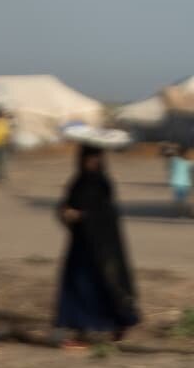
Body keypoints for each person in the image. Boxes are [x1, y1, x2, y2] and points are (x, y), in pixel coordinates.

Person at [54, 145, 139, 348]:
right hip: (81, 247)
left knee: (107, 284)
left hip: (103, 247)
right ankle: (81, 332)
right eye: (88, 158)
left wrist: (83, 216)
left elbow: (105, 214)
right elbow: (66, 205)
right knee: (78, 288)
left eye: (96, 158)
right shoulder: (77, 182)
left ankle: (117, 324)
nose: (92, 162)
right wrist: (65, 212)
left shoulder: (102, 183)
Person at [165, 144, 192, 218]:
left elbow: (168, 156)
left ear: (178, 152)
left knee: (179, 201)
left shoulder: (174, 160)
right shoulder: (188, 162)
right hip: (186, 184)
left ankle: (181, 214)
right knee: (184, 200)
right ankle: (185, 213)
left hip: (176, 183)